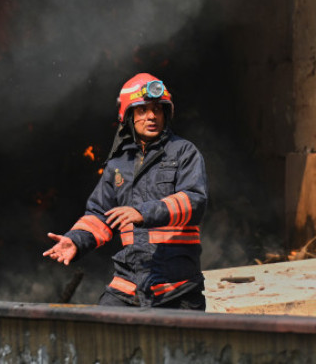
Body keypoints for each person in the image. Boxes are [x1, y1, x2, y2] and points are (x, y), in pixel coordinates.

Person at [43, 73, 209, 309]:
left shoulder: (183, 153)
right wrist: (76, 240)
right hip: (129, 285)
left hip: (176, 287)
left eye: (157, 109)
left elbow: (195, 201)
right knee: (102, 334)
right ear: (128, 116)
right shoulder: (118, 165)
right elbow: (100, 214)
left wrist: (143, 212)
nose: (151, 116)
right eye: (142, 110)